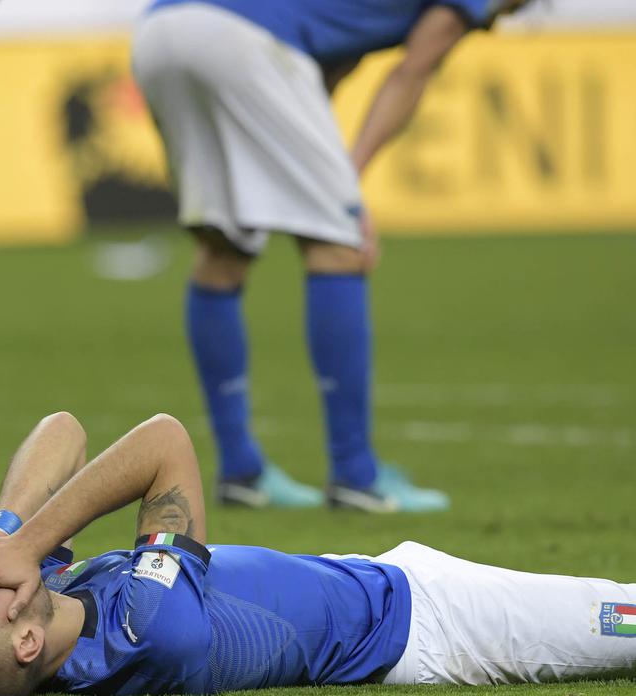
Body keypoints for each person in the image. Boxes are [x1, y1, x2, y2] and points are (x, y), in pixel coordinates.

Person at [0, 412, 636, 696]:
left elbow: (62, 428)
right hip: (432, 625)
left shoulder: (55, 617)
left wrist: (6, 531)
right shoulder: (147, 631)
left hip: (379, 580)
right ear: (22, 641)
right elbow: (164, 441)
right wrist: (21, 542)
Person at [129, 0, 531, 511]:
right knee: (339, 244)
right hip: (242, 39)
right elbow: (413, 71)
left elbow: (318, 75)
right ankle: (356, 474)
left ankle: (241, 469)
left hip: (161, 30)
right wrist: (349, 188)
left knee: (223, 246)